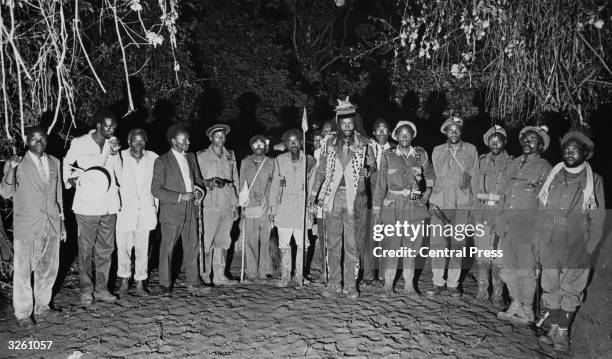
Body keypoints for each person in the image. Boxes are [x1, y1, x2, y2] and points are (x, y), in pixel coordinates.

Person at [534, 131, 605, 353]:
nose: (570, 152)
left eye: (575, 149)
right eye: (566, 149)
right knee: (550, 286)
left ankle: (563, 332)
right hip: (550, 240)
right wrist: (537, 242)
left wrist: (589, 248)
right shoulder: (553, 176)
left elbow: (598, 218)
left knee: (571, 289)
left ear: (586, 153)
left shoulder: (594, 181)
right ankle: (553, 327)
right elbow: (541, 211)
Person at [309, 98, 375, 300]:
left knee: (352, 244)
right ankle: (334, 283)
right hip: (332, 199)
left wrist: (368, 170)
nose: (347, 127)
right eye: (343, 123)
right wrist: (313, 195)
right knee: (332, 243)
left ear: (355, 123)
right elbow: (321, 171)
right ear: (338, 123)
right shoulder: (329, 142)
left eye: (350, 123)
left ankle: (350, 285)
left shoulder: (364, 143)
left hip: (355, 199)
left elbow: (372, 166)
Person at [1, 126, 66, 327]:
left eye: (42, 138)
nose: (39, 141)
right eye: (34, 139)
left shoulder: (54, 161)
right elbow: (5, 192)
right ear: (27, 140)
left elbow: (58, 195)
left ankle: (43, 307)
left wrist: (62, 223)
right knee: (23, 272)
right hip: (27, 225)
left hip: (52, 223)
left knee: (48, 269)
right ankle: (23, 314)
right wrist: (11, 168)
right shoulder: (17, 163)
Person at [63, 109, 122, 306]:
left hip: (109, 204)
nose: (111, 128)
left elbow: (119, 173)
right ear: (97, 125)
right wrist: (69, 181)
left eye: (113, 125)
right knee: (86, 248)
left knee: (106, 248)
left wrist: (116, 152)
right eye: (107, 125)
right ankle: (86, 291)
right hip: (86, 204)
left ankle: (102, 289)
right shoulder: (79, 142)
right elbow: (66, 163)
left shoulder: (113, 144)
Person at [496, 125, 551, 324]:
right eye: (525, 139)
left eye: (533, 140)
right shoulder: (514, 163)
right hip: (508, 224)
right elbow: (503, 192)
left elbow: (546, 203)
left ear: (541, 145)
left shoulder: (545, 168)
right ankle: (515, 304)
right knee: (508, 267)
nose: (528, 142)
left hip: (529, 226)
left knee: (526, 268)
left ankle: (527, 309)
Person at [372, 121, 434, 297]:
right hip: (393, 205)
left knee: (411, 247)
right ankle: (388, 285)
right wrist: (377, 211)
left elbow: (429, 174)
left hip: (414, 205)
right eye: (401, 134)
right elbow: (380, 185)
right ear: (396, 136)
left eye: (408, 134)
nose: (404, 136)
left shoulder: (420, 155)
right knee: (392, 246)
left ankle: (409, 285)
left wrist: (427, 192)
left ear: (413, 136)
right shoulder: (388, 156)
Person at [151, 124, 208, 296]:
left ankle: (193, 282)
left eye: (188, 138)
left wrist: (199, 192)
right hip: (172, 211)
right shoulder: (162, 161)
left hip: (191, 209)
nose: (189, 142)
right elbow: (156, 190)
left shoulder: (191, 157)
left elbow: (198, 180)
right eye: (185, 139)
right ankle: (165, 285)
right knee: (167, 248)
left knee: (192, 246)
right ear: (174, 141)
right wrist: (179, 196)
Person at [427, 116, 478, 298]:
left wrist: (475, 205)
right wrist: (431, 200)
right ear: (445, 131)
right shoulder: (437, 150)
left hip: (461, 204)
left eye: (457, 129)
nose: (454, 132)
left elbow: (475, 177)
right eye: (450, 129)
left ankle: (453, 284)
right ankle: (437, 283)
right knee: (437, 245)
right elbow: (434, 175)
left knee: (457, 245)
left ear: (461, 132)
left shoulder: (471, 150)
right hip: (440, 203)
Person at [471, 125, 512, 306]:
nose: (495, 143)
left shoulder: (513, 164)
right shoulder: (480, 161)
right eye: (492, 140)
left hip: (501, 214)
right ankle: (482, 290)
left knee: (499, 257)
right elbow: (471, 186)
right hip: (481, 213)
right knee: (482, 255)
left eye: (499, 140)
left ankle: (497, 294)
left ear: (505, 141)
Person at [269, 129, 316, 287]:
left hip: (301, 207)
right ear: (286, 144)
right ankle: (285, 275)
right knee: (284, 242)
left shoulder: (310, 160)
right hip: (284, 207)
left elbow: (313, 185)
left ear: (301, 142)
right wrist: (273, 208)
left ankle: (299, 275)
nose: (294, 143)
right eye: (290, 141)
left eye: (296, 140)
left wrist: (311, 207)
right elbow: (275, 184)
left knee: (303, 243)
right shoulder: (280, 160)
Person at [116, 128, 159, 296]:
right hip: (125, 210)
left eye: (141, 141)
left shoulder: (154, 158)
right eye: (135, 141)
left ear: (146, 141)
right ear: (129, 141)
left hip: (146, 211)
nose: (138, 144)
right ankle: (124, 280)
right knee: (123, 248)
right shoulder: (119, 156)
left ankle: (140, 282)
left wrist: (155, 207)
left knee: (142, 249)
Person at [197, 124, 239, 286]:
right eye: (217, 136)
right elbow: (196, 179)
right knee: (207, 240)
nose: (220, 139)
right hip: (210, 203)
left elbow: (235, 180)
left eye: (223, 136)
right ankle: (205, 275)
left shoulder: (230, 156)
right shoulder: (201, 156)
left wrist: (235, 206)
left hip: (227, 203)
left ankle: (219, 275)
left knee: (223, 239)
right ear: (210, 138)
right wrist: (207, 183)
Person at [239, 135, 275, 283]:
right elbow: (242, 183)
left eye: (261, 144)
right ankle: (252, 271)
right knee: (251, 240)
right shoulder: (245, 162)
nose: (259, 146)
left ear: (265, 147)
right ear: (252, 146)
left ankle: (265, 270)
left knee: (265, 240)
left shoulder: (271, 162)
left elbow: (275, 184)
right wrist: (242, 204)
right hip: (250, 206)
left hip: (265, 206)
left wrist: (272, 205)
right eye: (256, 144)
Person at [363, 118, 394, 285]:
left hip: (388, 201)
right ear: (373, 133)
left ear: (389, 133)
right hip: (370, 199)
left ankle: (383, 275)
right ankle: (368, 274)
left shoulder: (396, 151)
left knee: (386, 238)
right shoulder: (367, 148)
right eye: (378, 130)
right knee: (369, 238)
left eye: (385, 130)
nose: (381, 133)